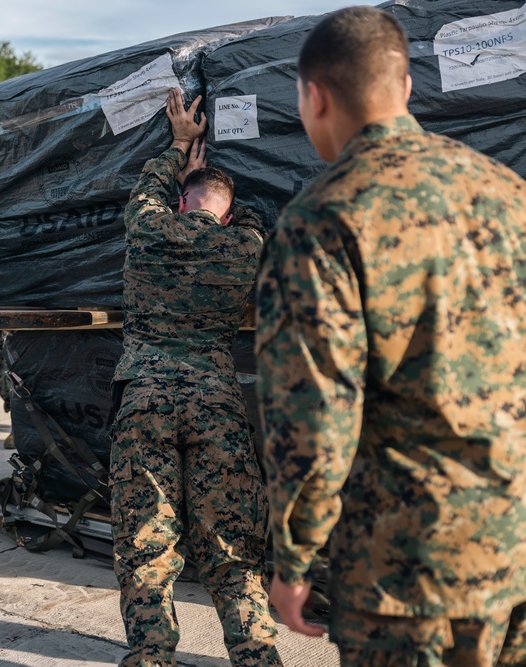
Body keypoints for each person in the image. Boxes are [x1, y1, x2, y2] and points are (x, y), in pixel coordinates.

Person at [256, 7, 526, 666]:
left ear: (313, 96)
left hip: (407, 575)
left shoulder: (322, 218)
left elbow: (316, 415)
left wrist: (293, 559)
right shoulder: (507, 192)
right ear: (406, 88)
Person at [110, 88, 282, 666]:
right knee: (233, 547)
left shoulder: (148, 226)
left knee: (145, 543)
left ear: (179, 203)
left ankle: (153, 655)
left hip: (146, 399)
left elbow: (147, 192)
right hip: (216, 402)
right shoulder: (244, 242)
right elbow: (256, 216)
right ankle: (256, 657)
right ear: (226, 213)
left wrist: (181, 145)